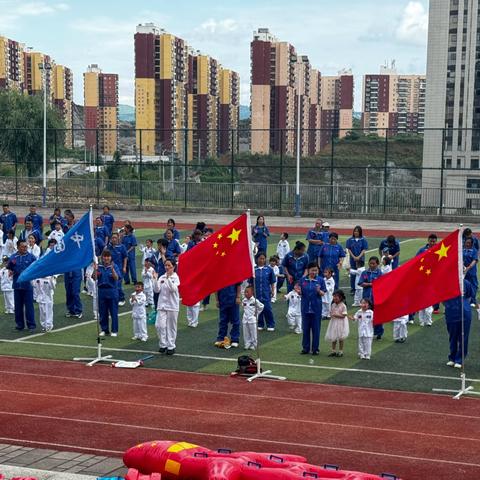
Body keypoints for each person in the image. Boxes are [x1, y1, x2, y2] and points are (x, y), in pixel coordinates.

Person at [444, 278, 474, 368]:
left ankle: (460, 359)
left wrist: (463, 305)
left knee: (463, 337)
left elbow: (470, 296)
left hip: (464, 314)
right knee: (452, 336)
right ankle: (452, 358)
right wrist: (450, 306)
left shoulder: (466, 283)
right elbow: (442, 298)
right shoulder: (446, 283)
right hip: (451, 313)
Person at [7, 240, 37, 332]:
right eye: (23, 247)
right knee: (18, 307)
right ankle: (19, 325)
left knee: (29, 307)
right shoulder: (13, 257)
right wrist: (10, 270)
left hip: (27, 285)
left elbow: (35, 267)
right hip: (17, 285)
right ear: (18, 247)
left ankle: (31, 325)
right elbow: (9, 268)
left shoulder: (31, 257)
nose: (25, 248)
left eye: (26, 246)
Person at [154, 258, 181, 355]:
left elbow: (173, 289)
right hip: (162, 305)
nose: (167, 267)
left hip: (172, 306)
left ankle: (171, 346)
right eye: (166, 265)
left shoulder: (175, 277)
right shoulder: (162, 277)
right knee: (159, 325)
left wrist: (169, 278)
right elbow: (157, 290)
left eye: (169, 265)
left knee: (171, 327)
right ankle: (163, 344)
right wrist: (155, 279)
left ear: (173, 267)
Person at [299, 262, 325, 355]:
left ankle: (315, 349)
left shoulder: (320, 280)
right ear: (308, 270)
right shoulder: (302, 280)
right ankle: (305, 348)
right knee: (305, 329)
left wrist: (319, 291)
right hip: (305, 307)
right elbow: (300, 291)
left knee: (316, 329)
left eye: (316, 270)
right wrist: (299, 292)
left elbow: (323, 293)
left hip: (316, 308)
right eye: (312, 270)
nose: (314, 272)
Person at [94, 250, 121, 337]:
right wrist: (95, 270)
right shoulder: (99, 267)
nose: (106, 258)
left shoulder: (114, 266)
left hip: (112, 291)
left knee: (113, 311)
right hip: (101, 291)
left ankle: (114, 330)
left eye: (108, 256)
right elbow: (94, 278)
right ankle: (104, 329)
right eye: (104, 256)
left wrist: (112, 269)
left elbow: (116, 278)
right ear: (102, 257)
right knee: (103, 312)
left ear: (110, 257)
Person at [359, 256, 383, 339]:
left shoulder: (379, 273)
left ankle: (378, 332)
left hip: (376, 297)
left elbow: (381, 284)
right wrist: (371, 284)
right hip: (366, 298)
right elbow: (361, 283)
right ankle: (367, 331)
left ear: (377, 264)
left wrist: (368, 284)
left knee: (377, 315)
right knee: (366, 315)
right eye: (370, 263)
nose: (372, 265)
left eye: (374, 263)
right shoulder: (364, 272)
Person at [254, 252, 276, 331]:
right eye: (260, 258)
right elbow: (250, 282)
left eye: (263, 258)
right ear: (257, 259)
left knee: (267, 308)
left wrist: (273, 291)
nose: (262, 260)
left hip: (266, 292)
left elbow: (272, 281)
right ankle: (260, 324)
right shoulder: (254, 270)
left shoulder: (269, 269)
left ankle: (270, 324)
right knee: (258, 309)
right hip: (256, 292)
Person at [215, 282, 241, 348]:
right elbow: (215, 288)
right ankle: (221, 338)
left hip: (233, 300)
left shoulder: (234, 272)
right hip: (222, 300)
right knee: (223, 320)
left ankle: (235, 339)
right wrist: (217, 300)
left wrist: (238, 297)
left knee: (235, 321)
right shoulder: (218, 274)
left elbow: (238, 285)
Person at [325, 290, 349, 357]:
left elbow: (344, 316)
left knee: (341, 338)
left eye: (336, 297)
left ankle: (340, 351)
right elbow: (331, 312)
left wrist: (336, 315)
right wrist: (331, 315)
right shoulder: (333, 305)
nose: (334, 298)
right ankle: (333, 351)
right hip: (334, 322)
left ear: (340, 297)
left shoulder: (343, 306)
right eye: (334, 296)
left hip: (341, 323)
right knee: (333, 336)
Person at [345, 226, 368, 294]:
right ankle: (353, 288)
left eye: (357, 231)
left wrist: (359, 257)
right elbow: (349, 249)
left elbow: (364, 249)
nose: (356, 232)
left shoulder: (363, 239)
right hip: (353, 259)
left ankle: (363, 286)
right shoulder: (350, 239)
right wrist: (354, 257)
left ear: (360, 232)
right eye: (355, 231)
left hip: (361, 259)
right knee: (353, 273)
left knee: (361, 273)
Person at [108, 232, 128, 305]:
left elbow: (125, 257)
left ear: (118, 238)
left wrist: (124, 267)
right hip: (110, 269)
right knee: (111, 284)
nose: (114, 239)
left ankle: (121, 298)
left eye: (115, 238)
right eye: (112, 238)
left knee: (118, 285)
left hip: (119, 269)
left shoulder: (122, 247)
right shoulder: (108, 247)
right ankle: (114, 298)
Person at [242, 285, 264, 350]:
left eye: (247, 292)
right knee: (246, 333)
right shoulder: (244, 300)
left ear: (252, 293)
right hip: (245, 319)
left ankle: (254, 345)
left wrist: (256, 314)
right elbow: (244, 307)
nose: (246, 293)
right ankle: (247, 344)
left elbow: (261, 306)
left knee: (253, 333)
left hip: (252, 319)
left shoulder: (255, 300)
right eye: (245, 292)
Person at [463, 237, 478, 304]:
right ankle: (465, 300)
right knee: (464, 286)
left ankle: (472, 301)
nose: (467, 244)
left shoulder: (474, 251)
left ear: (472, 244)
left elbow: (474, 261)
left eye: (469, 243)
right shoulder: (462, 250)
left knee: (473, 286)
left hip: (471, 272)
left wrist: (468, 268)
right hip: (463, 272)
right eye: (466, 242)